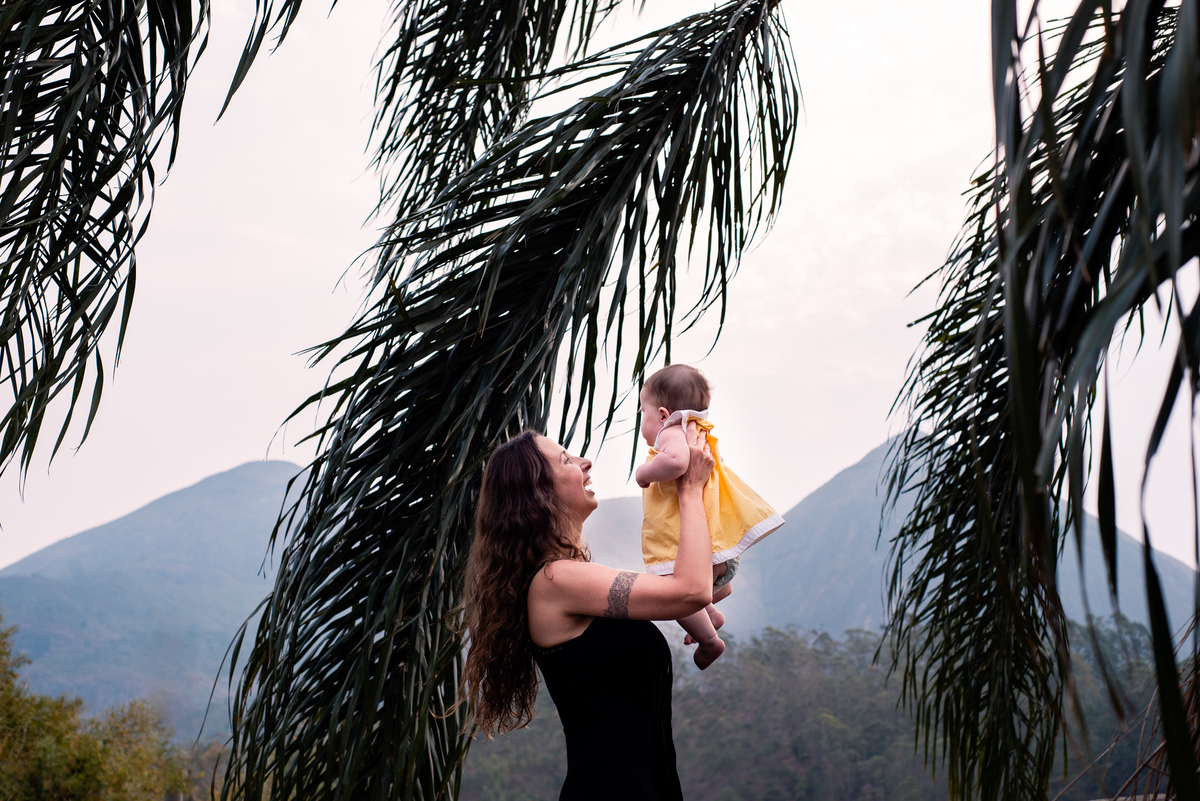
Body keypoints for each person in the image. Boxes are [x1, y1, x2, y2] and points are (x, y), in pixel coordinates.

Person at [461, 428, 723, 800]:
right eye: (566, 460)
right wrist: (689, 489)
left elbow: (693, 592)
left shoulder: (569, 579)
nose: (584, 462)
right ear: (537, 493)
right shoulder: (556, 579)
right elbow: (690, 591)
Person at [635, 364, 785, 669]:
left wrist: (644, 472)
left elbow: (676, 463)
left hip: (702, 559)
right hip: (717, 553)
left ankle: (709, 641)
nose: (643, 420)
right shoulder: (698, 433)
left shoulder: (673, 434)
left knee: (669, 592)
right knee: (684, 593)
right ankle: (711, 615)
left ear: (663, 414)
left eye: (643, 412)